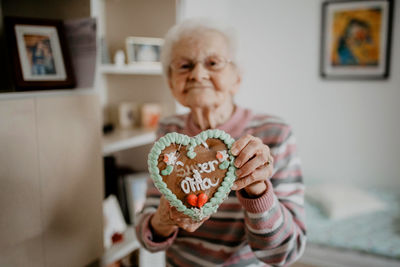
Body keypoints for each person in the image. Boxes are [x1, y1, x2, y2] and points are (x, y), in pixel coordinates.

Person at [136, 18, 306, 266]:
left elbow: (285, 253)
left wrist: (257, 189)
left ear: (237, 78)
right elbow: (147, 236)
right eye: (184, 66)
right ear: (172, 84)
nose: (198, 74)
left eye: (213, 63)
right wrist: (165, 216)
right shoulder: (169, 134)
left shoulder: (274, 134)